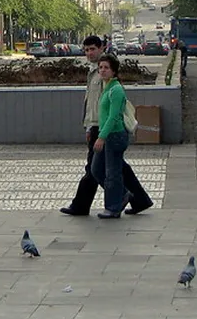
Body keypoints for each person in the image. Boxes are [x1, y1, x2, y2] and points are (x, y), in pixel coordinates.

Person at [61, 36, 153, 217]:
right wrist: (88, 125)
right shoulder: (94, 72)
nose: (89, 53)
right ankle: (139, 199)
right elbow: (90, 102)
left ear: (102, 48)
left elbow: (107, 108)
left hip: (103, 128)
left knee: (97, 168)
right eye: (86, 50)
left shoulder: (106, 76)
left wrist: (98, 131)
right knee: (114, 167)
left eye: (93, 49)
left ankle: (85, 204)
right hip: (96, 125)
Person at [91, 53, 132, 219]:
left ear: (114, 71)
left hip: (114, 135)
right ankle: (122, 195)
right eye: (100, 67)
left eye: (106, 68)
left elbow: (113, 117)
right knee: (96, 169)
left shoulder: (116, 90)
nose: (102, 70)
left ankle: (113, 207)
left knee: (112, 173)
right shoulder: (106, 87)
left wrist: (101, 137)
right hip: (107, 134)